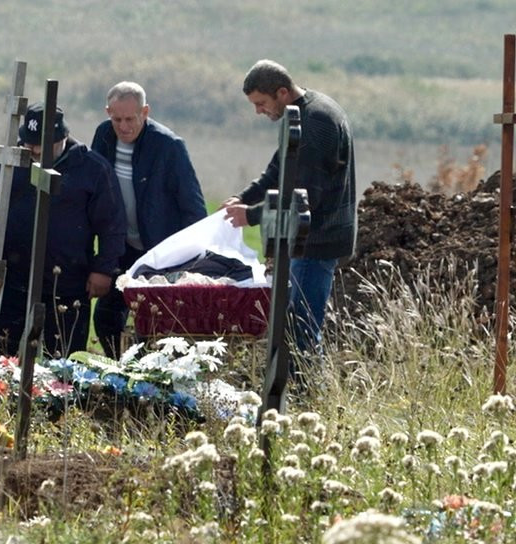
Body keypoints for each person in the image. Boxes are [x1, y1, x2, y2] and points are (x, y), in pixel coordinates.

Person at [221, 59, 357, 380]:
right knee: (296, 324)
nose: (258, 112)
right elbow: (277, 170)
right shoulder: (297, 115)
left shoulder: (317, 122)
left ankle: (307, 397)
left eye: (261, 103)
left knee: (302, 329)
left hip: (316, 240)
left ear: (282, 92)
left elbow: (305, 194)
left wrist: (251, 216)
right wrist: (244, 197)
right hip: (302, 240)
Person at [0, 103, 126, 359]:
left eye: (38, 144)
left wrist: (103, 269)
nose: (31, 149)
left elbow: (112, 225)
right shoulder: (11, 160)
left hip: (66, 282)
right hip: (11, 279)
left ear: (61, 138)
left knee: (63, 361)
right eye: (27, 142)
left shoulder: (92, 169)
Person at [91, 81, 208, 359]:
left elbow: (193, 206)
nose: (124, 126)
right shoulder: (103, 136)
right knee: (106, 316)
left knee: (154, 324)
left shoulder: (169, 146)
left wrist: (194, 261)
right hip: (121, 247)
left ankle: (148, 379)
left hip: (160, 251)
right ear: (108, 113)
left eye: (130, 119)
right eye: (116, 119)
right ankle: (116, 370)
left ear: (145, 112)